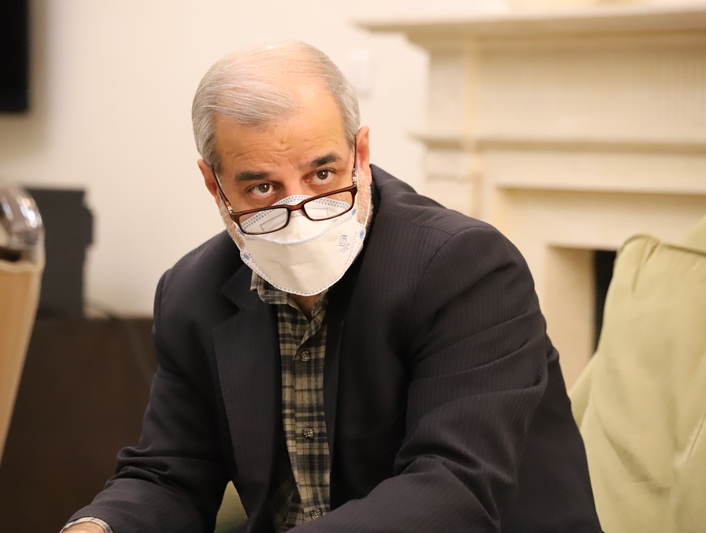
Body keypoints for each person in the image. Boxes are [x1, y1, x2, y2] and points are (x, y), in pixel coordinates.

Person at [63, 41, 601, 533]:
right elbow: (170, 474)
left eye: (322, 175)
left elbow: (454, 488)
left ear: (360, 154)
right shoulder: (191, 294)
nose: (299, 212)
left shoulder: (465, 268)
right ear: (215, 185)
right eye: (263, 187)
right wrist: (96, 527)